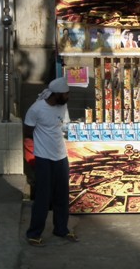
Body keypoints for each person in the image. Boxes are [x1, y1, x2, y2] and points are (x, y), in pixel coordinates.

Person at [24, 77, 79, 247]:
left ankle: (61, 229)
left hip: (61, 157)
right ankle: (34, 233)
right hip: (43, 158)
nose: (68, 96)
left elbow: (63, 125)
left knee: (62, 196)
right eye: (66, 93)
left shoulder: (62, 105)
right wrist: (42, 143)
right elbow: (27, 131)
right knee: (43, 197)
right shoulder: (36, 109)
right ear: (56, 95)